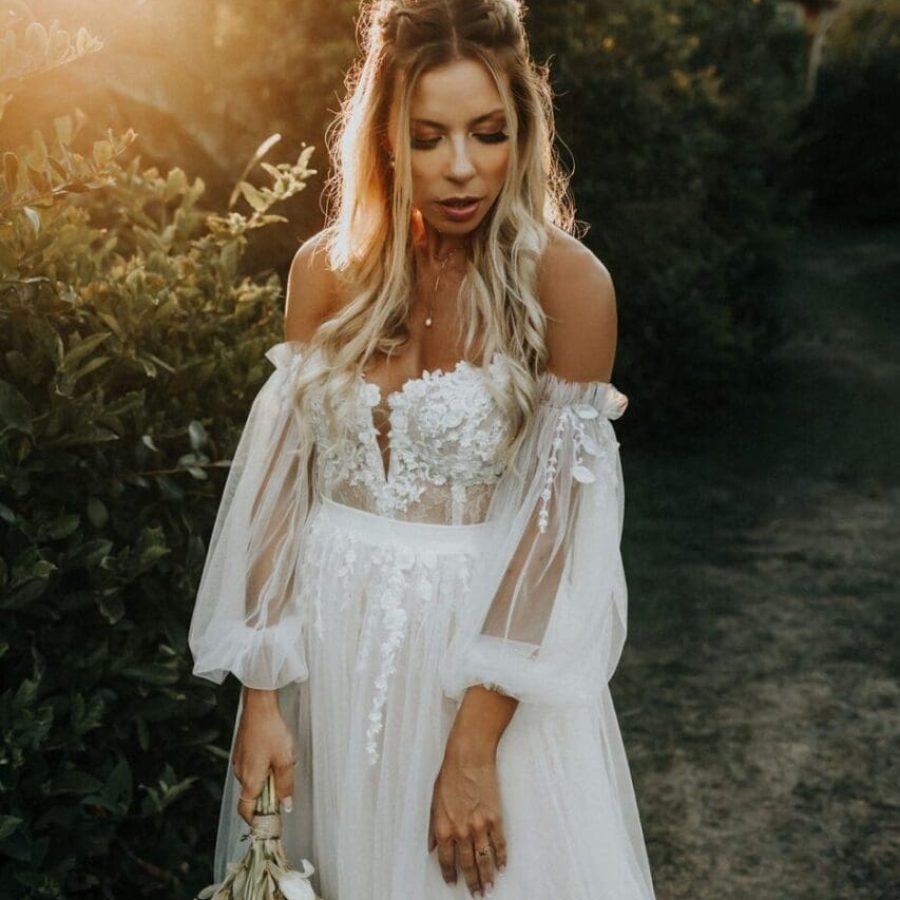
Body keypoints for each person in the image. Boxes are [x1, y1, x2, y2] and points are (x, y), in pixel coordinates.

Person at [188, 1, 655, 898]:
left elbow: (553, 537)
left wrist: (474, 746)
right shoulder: (326, 271)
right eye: (428, 136)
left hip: (477, 668)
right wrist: (262, 696)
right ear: (385, 139)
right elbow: (281, 495)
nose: (461, 166)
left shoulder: (568, 285)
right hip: (328, 662)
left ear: (523, 130)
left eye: (488, 133)